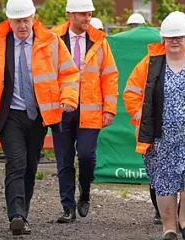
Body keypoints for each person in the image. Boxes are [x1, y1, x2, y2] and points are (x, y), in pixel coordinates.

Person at [0, 0, 79, 235]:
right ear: (9, 21)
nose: (22, 25)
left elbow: (69, 73)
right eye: (17, 21)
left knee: (30, 167)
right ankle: (16, 215)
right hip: (9, 115)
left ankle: (23, 215)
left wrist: (69, 99)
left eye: (26, 20)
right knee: (16, 164)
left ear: (33, 17)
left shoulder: (51, 43)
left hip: (39, 116)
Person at [123, 11, 185, 240]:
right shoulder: (150, 64)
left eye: (179, 37)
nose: (175, 41)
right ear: (163, 39)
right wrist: (141, 115)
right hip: (161, 140)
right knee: (165, 184)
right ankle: (169, 227)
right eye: (171, 37)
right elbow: (130, 92)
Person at [51, 0, 119, 223]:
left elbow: (109, 75)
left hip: (90, 110)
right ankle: (68, 207)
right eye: (83, 14)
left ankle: (85, 191)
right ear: (70, 15)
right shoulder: (54, 39)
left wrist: (109, 109)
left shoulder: (99, 41)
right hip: (62, 109)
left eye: (89, 14)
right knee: (64, 159)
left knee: (87, 156)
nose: (87, 18)